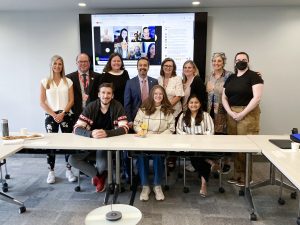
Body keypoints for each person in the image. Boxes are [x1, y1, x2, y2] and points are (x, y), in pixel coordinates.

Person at [69, 83, 129, 192]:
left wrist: (107, 133)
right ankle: (98, 176)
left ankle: (102, 176)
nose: (106, 95)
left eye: (108, 93)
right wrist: (91, 134)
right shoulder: (91, 106)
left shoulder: (117, 106)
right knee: (72, 159)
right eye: (103, 92)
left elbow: (125, 128)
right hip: (90, 146)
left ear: (112, 95)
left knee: (101, 162)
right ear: (98, 94)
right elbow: (76, 128)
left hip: (109, 147)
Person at [222, 52, 264, 187]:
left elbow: (256, 98)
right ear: (234, 62)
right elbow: (224, 97)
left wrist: (242, 113)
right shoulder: (231, 78)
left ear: (248, 61)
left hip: (248, 113)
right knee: (235, 147)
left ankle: (247, 177)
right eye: (238, 59)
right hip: (232, 113)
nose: (241, 61)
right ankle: (237, 174)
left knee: (246, 146)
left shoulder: (254, 76)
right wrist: (230, 112)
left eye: (244, 59)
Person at [40, 55, 77, 184]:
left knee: (68, 143)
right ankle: (51, 171)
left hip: (66, 114)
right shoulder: (45, 81)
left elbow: (72, 100)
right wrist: (53, 114)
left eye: (60, 64)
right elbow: (42, 102)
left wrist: (62, 113)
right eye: (55, 64)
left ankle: (69, 169)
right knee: (51, 144)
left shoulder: (68, 81)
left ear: (63, 66)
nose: (57, 66)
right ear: (51, 65)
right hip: (51, 116)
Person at [134, 85, 175, 201]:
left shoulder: (168, 110)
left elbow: (171, 128)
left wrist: (160, 138)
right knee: (141, 157)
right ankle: (145, 186)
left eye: (160, 94)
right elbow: (136, 124)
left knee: (158, 156)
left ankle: (157, 185)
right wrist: (143, 133)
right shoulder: (143, 109)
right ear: (152, 95)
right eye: (156, 93)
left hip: (161, 143)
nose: (158, 96)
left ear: (164, 96)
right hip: (145, 141)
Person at [176, 94, 214, 197]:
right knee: (197, 156)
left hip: (203, 145)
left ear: (200, 104)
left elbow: (210, 131)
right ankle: (209, 162)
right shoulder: (183, 116)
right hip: (188, 146)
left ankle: (203, 184)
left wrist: (199, 136)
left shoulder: (206, 115)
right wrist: (188, 136)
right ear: (187, 104)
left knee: (198, 157)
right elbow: (179, 131)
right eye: (191, 102)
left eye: (196, 102)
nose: (194, 105)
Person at [205, 52, 233, 173]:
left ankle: (226, 162)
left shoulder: (229, 76)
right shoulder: (209, 76)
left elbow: (231, 92)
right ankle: (214, 162)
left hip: (223, 110)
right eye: (214, 61)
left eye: (219, 61)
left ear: (223, 62)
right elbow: (207, 92)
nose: (216, 63)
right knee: (213, 135)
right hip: (210, 109)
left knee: (224, 136)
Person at [66, 53, 102, 122]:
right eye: (80, 61)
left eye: (85, 61)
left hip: (94, 114)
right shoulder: (69, 78)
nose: (83, 64)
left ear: (89, 63)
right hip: (75, 115)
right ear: (76, 63)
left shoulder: (98, 77)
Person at [124, 57, 158, 123]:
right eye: (140, 65)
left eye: (145, 65)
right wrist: (129, 120)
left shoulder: (154, 82)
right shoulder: (130, 83)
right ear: (137, 67)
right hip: (135, 118)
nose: (142, 67)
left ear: (148, 67)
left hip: (152, 117)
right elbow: (127, 104)